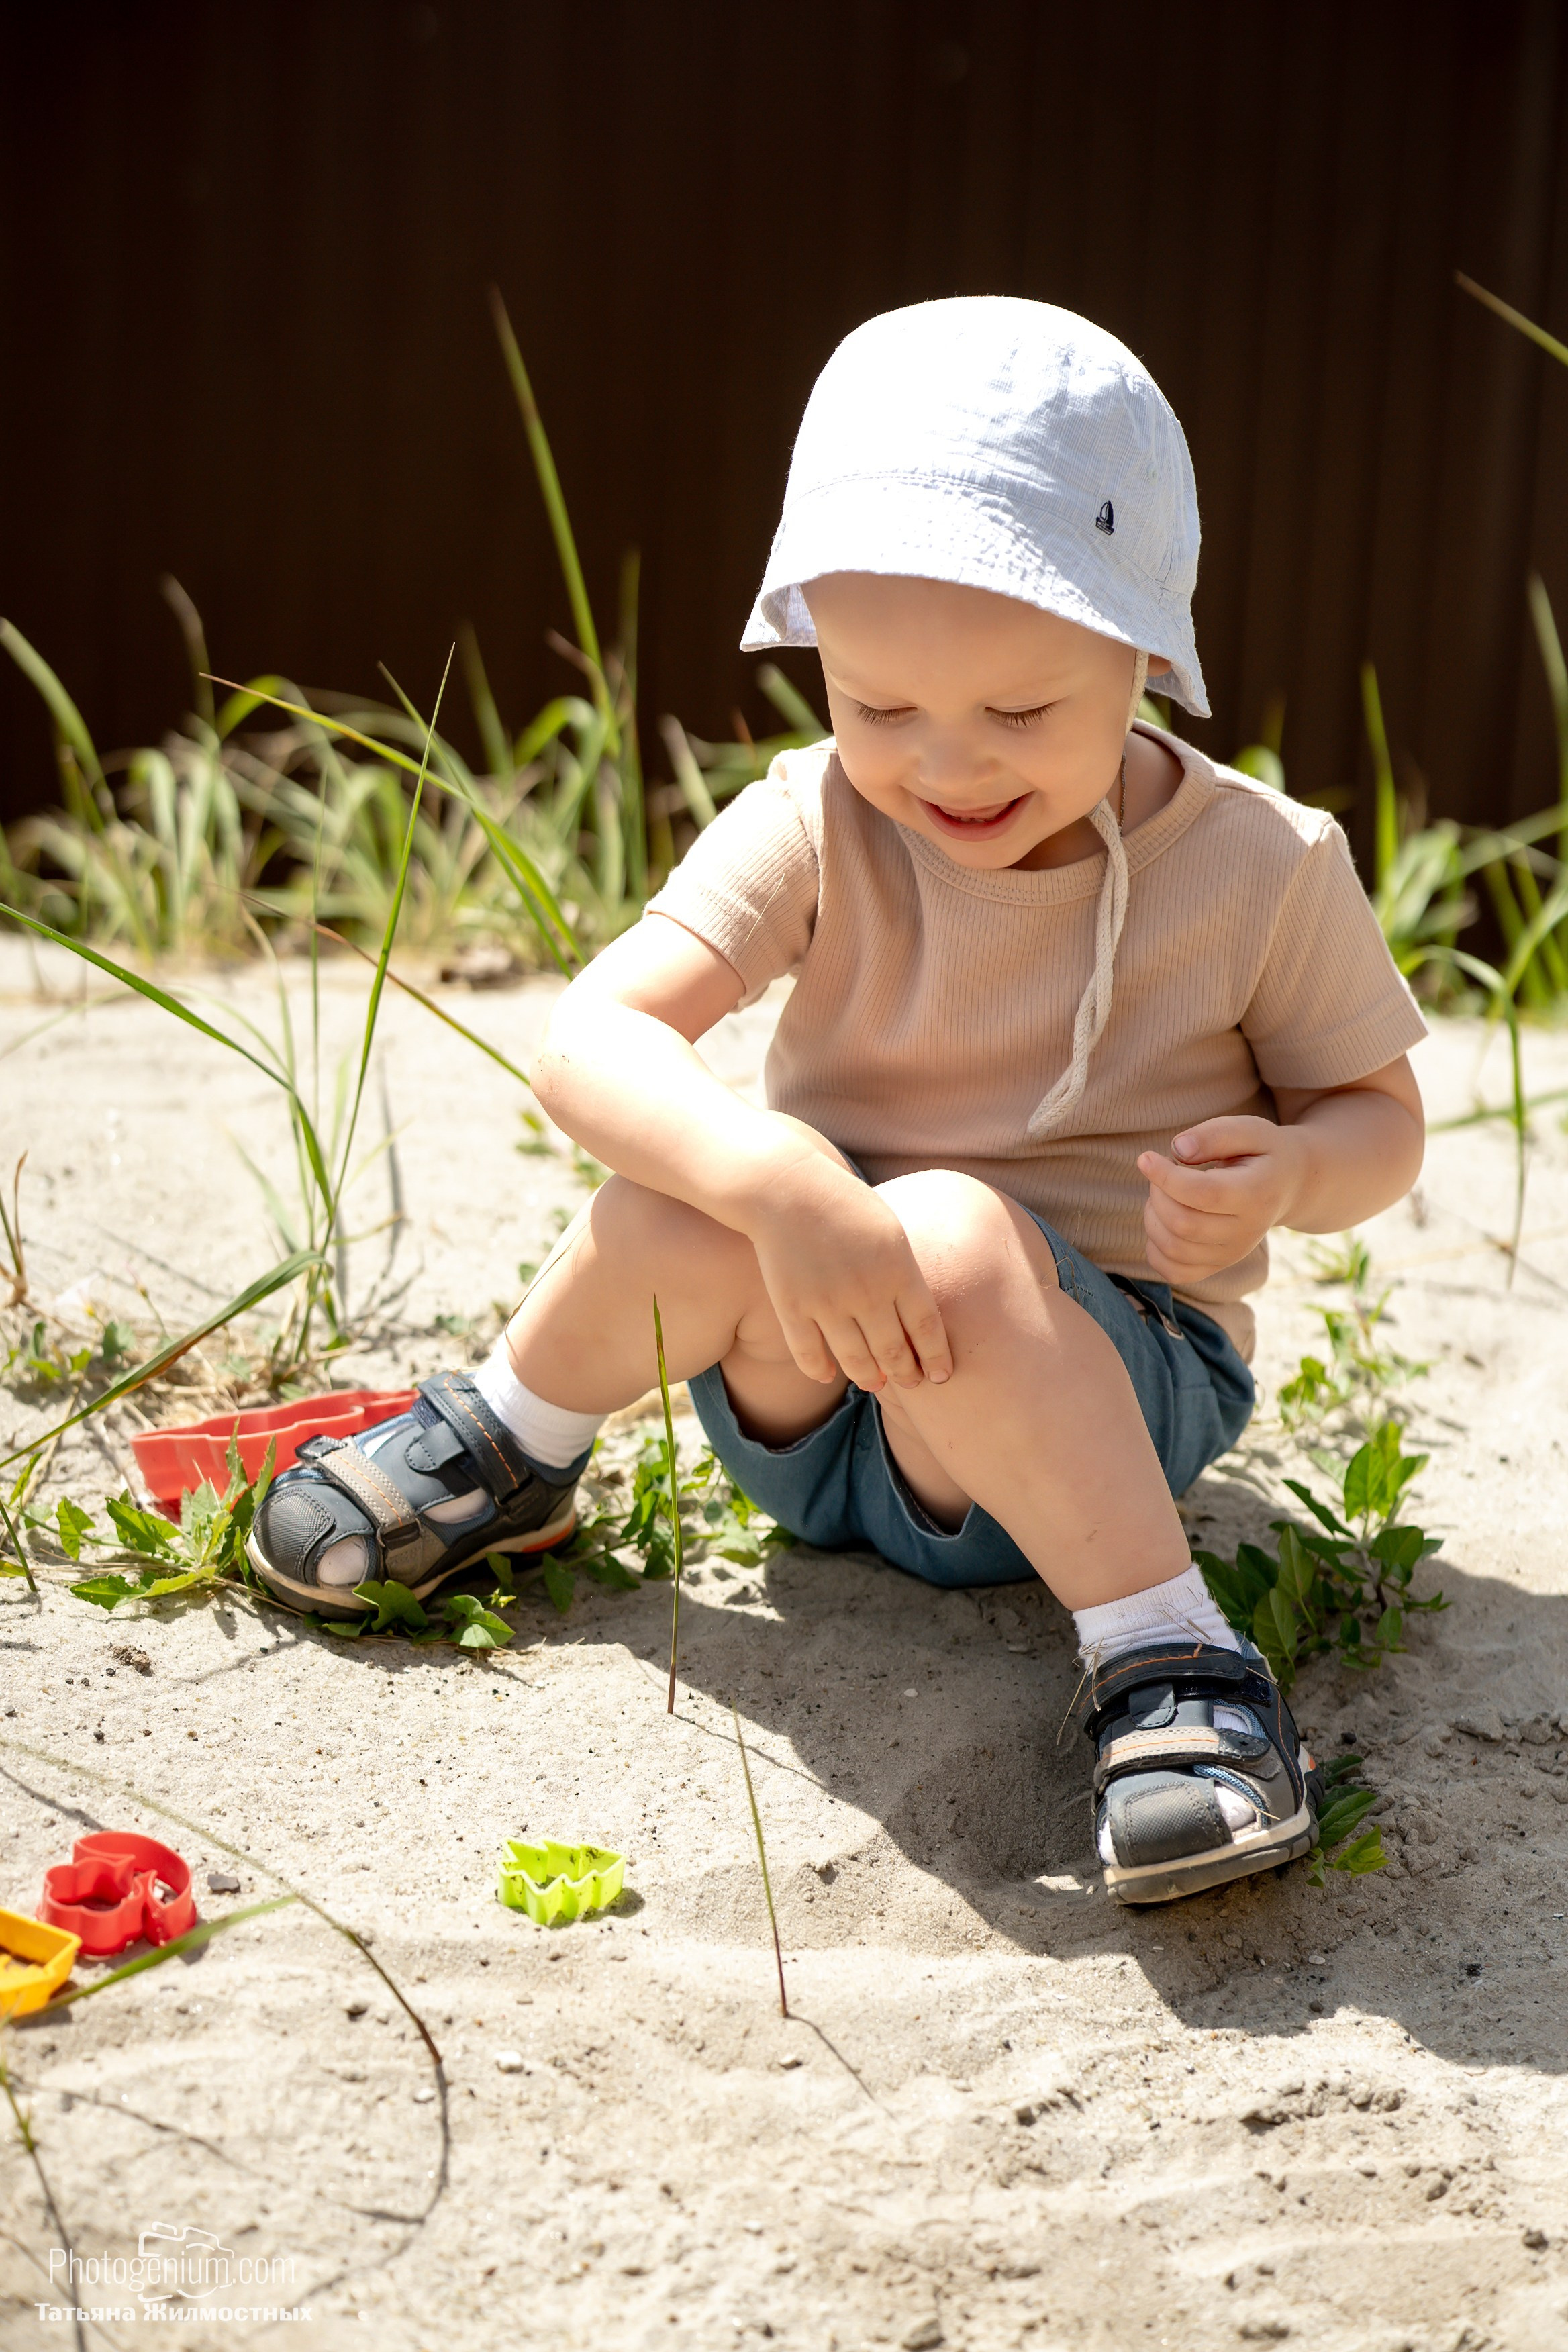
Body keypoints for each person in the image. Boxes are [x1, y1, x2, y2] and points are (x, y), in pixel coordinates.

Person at [248, 298, 1426, 1905]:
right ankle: (516, 1447)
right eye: (875, 704)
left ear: (1143, 649)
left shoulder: (1256, 867)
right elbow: (592, 1037)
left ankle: (1169, 1659)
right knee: (707, 1174)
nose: (944, 764)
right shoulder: (815, 819)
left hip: (1091, 1395)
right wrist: (770, 1179)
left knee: (939, 1222)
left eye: (1019, 711)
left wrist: (1289, 1174)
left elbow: (1379, 1114)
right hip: (812, 1397)